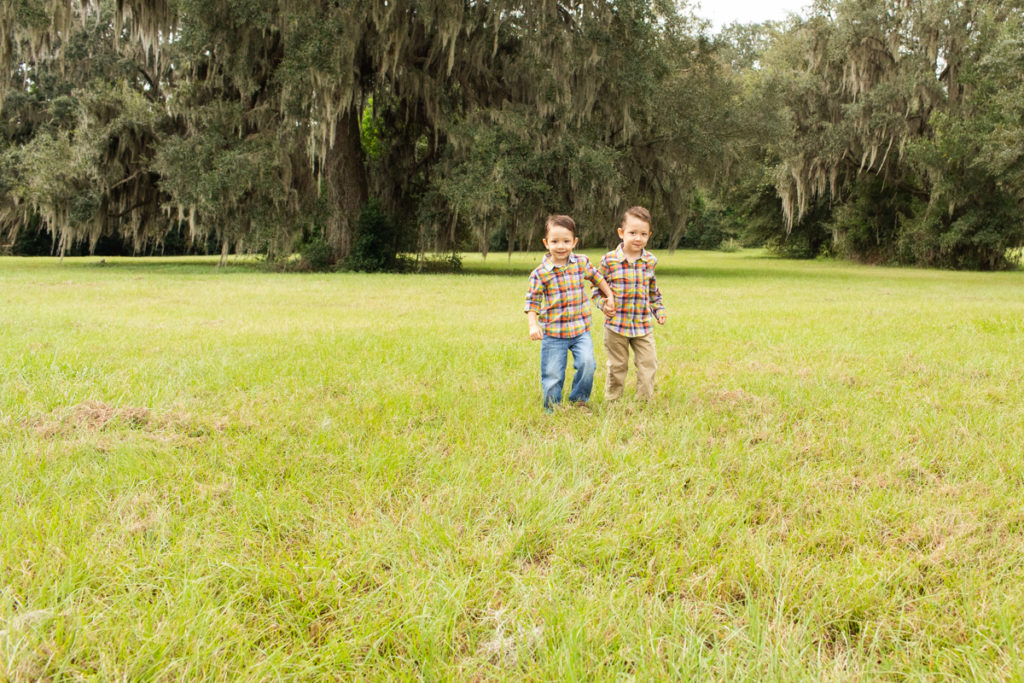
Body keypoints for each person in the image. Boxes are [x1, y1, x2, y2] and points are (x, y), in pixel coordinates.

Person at [524, 215, 616, 412]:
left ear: (574, 242)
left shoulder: (581, 263)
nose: (561, 246)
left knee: (588, 364)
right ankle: (552, 408)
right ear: (546, 243)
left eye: (566, 241)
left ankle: (579, 400)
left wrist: (609, 295)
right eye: (555, 241)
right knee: (553, 373)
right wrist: (533, 324)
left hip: (580, 330)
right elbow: (532, 302)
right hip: (553, 334)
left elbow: (597, 278)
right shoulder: (540, 274)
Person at [592, 206, 665, 401]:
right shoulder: (609, 260)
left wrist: (658, 310)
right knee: (617, 366)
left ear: (649, 235)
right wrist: (603, 304)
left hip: (642, 325)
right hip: (616, 325)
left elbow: (652, 291)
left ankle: (643, 401)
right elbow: (596, 290)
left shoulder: (650, 261)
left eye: (643, 234)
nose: (638, 238)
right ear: (621, 233)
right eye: (632, 233)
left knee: (648, 363)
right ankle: (613, 400)